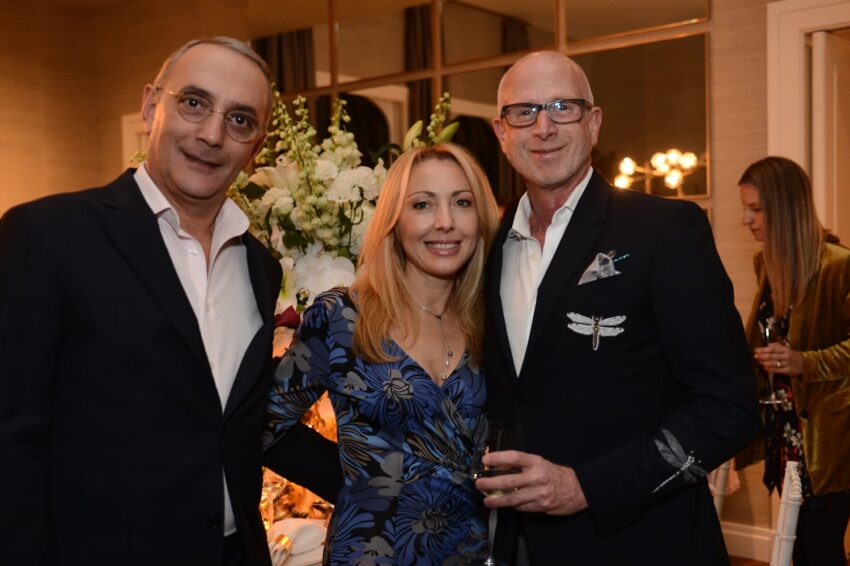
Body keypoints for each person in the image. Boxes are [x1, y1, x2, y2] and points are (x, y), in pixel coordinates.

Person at [0, 37, 340, 566]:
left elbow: (240, 426)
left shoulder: (258, 266)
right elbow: (12, 437)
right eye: (194, 103)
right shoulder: (49, 235)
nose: (211, 133)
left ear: (256, 144)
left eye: (240, 119)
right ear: (150, 105)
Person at [475, 50, 761, 564]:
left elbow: (729, 409)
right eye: (524, 111)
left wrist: (587, 486)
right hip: (520, 546)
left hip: (645, 543)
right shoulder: (487, 249)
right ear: (501, 131)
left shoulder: (663, 231)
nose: (543, 127)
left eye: (563, 107)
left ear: (594, 123)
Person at [264, 143, 502, 564]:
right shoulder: (343, 316)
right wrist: (356, 480)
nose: (445, 222)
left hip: (472, 552)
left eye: (462, 203)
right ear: (395, 220)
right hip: (370, 553)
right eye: (423, 204)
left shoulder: (495, 319)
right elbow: (266, 427)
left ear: (480, 217)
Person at [735, 156, 850, 566]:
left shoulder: (839, 266)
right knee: (796, 546)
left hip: (827, 440)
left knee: (819, 550)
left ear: (785, 207)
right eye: (745, 208)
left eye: (756, 208)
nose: (746, 219)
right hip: (783, 432)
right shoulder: (765, 263)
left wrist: (807, 363)